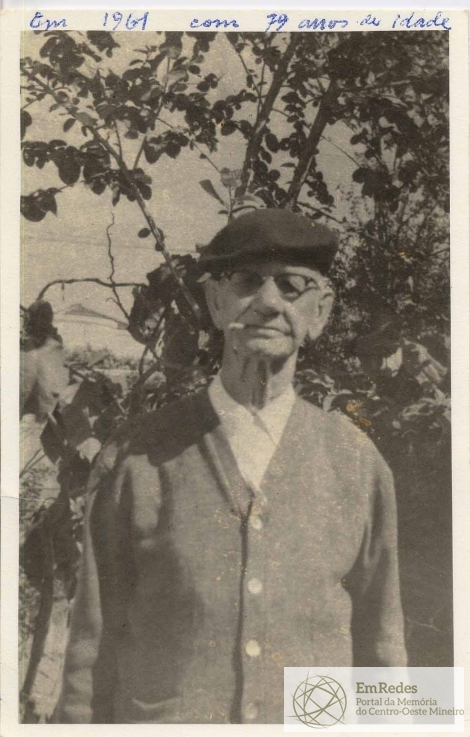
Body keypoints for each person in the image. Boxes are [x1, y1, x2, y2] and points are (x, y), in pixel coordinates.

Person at [55, 209, 407, 725]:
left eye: (292, 286)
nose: (268, 302)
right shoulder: (136, 456)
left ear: (321, 311)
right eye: (245, 281)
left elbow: (384, 653)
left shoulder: (356, 462)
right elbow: (92, 652)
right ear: (215, 302)